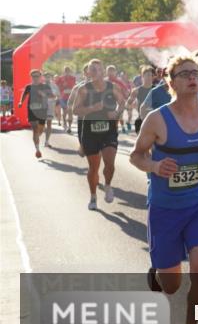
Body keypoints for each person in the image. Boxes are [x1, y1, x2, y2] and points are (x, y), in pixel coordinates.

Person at [129, 54, 198, 324]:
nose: (191, 77)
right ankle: (158, 273)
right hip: (165, 209)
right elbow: (136, 156)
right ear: (169, 81)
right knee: (171, 286)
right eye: (183, 73)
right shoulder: (157, 119)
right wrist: (155, 165)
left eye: (195, 73)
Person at [74, 59, 126, 210]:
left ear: (102, 72)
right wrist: (92, 108)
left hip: (109, 131)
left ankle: (108, 185)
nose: (94, 72)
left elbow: (122, 102)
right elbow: (75, 110)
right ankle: (93, 197)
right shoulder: (83, 90)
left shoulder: (113, 87)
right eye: (92, 70)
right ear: (88, 73)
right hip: (90, 132)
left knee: (110, 163)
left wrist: (116, 113)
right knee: (93, 167)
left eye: (97, 69)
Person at [18, 70, 54, 158]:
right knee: (35, 129)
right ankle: (37, 150)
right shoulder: (29, 87)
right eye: (33, 76)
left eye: (37, 76)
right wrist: (20, 102)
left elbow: (53, 96)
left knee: (40, 129)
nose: (35, 78)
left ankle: (37, 138)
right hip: (31, 110)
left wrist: (44, 95)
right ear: (31, 77)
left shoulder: (45, 86)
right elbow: (24, 94)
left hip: (42, 110)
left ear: (40, 77)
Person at [125, 66, 155, 136]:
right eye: (147, 75)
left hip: (154, 119)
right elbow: (127, 104)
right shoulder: (136, 91)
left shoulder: (156, 89)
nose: (150, 77)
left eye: (151, 75)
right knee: (142, 143)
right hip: (141, 119)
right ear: (142, 76)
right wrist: (133, 106)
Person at [54, 65, 76, 132]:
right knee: (64, 112)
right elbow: (56, 86)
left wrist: (71, 90)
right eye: (66, 71)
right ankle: (65, 123)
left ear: (70, 71)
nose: (67, 72)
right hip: (63, 97)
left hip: (71, 97)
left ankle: (69, 127)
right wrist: (60, 92)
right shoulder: (60, 78)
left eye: (68, 71)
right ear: (64, 71)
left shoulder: (73, 78)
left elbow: (74, 86)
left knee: (70, 112)